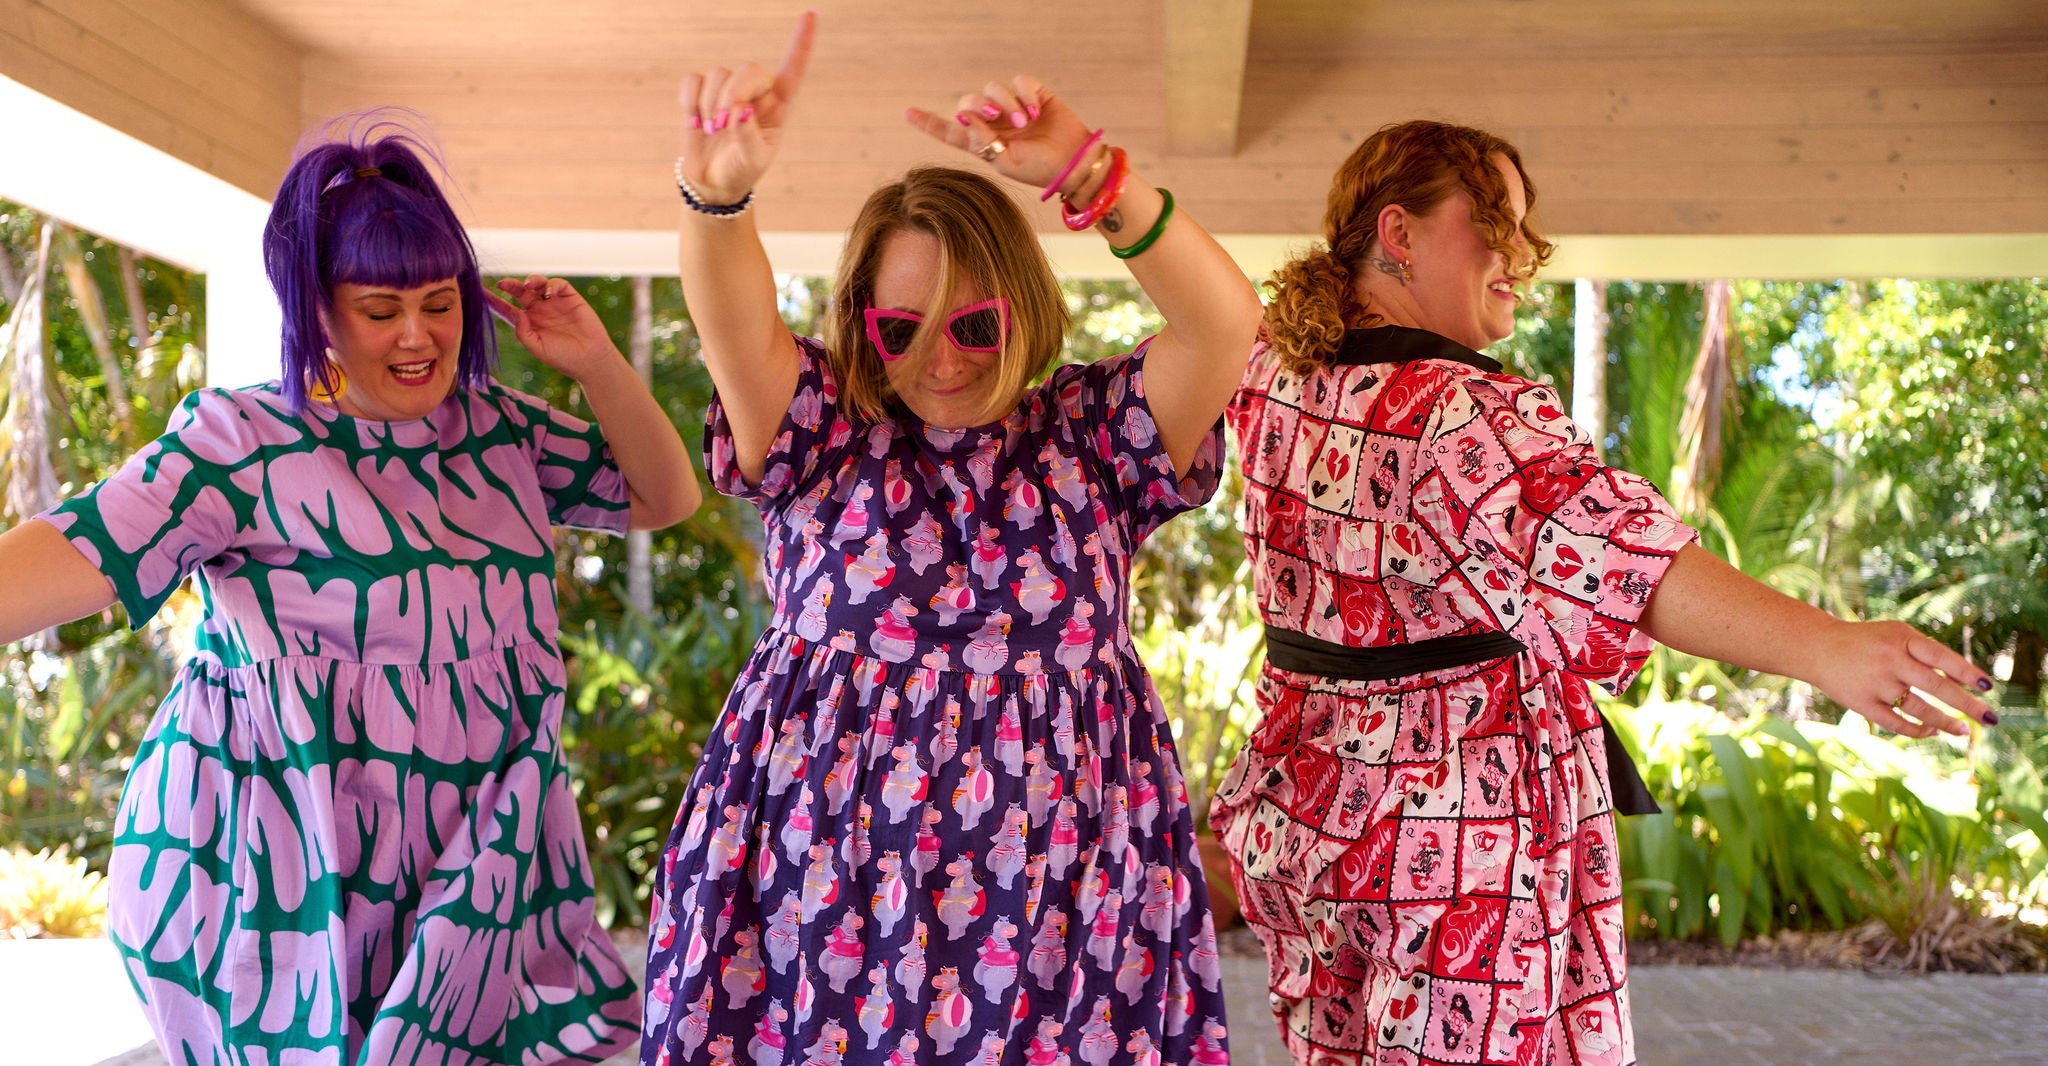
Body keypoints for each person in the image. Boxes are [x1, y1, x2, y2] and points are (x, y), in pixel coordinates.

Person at [1210, 120, 2001, 1066]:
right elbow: (1613, 556)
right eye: (1494, 218)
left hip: (1311, 811)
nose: (1519, 252)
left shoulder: (1270, 376)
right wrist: (1828, 647)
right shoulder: (1455, 406)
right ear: (1400, 232)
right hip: (1454, 834)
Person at [0, 114, 700, 1063]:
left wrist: (595, 360)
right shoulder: (241, 443)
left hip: (476, 853)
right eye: (380, 309)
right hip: (277, 860)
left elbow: (666, 493)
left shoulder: (500, 432)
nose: (418, 336)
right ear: (318, 310)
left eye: (440, 302)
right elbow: (75, 549)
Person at [639, 13, 1262, 1066]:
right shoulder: (821, 429)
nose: (943, 359)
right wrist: (718, 198)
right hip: (821, 880)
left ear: (1021, 306)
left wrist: (1087, 173)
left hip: (1062, 891)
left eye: (975, 324)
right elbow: (732, 316)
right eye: (900, 329)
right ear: (860, 322)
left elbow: (1225, 326)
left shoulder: (1094, 437)